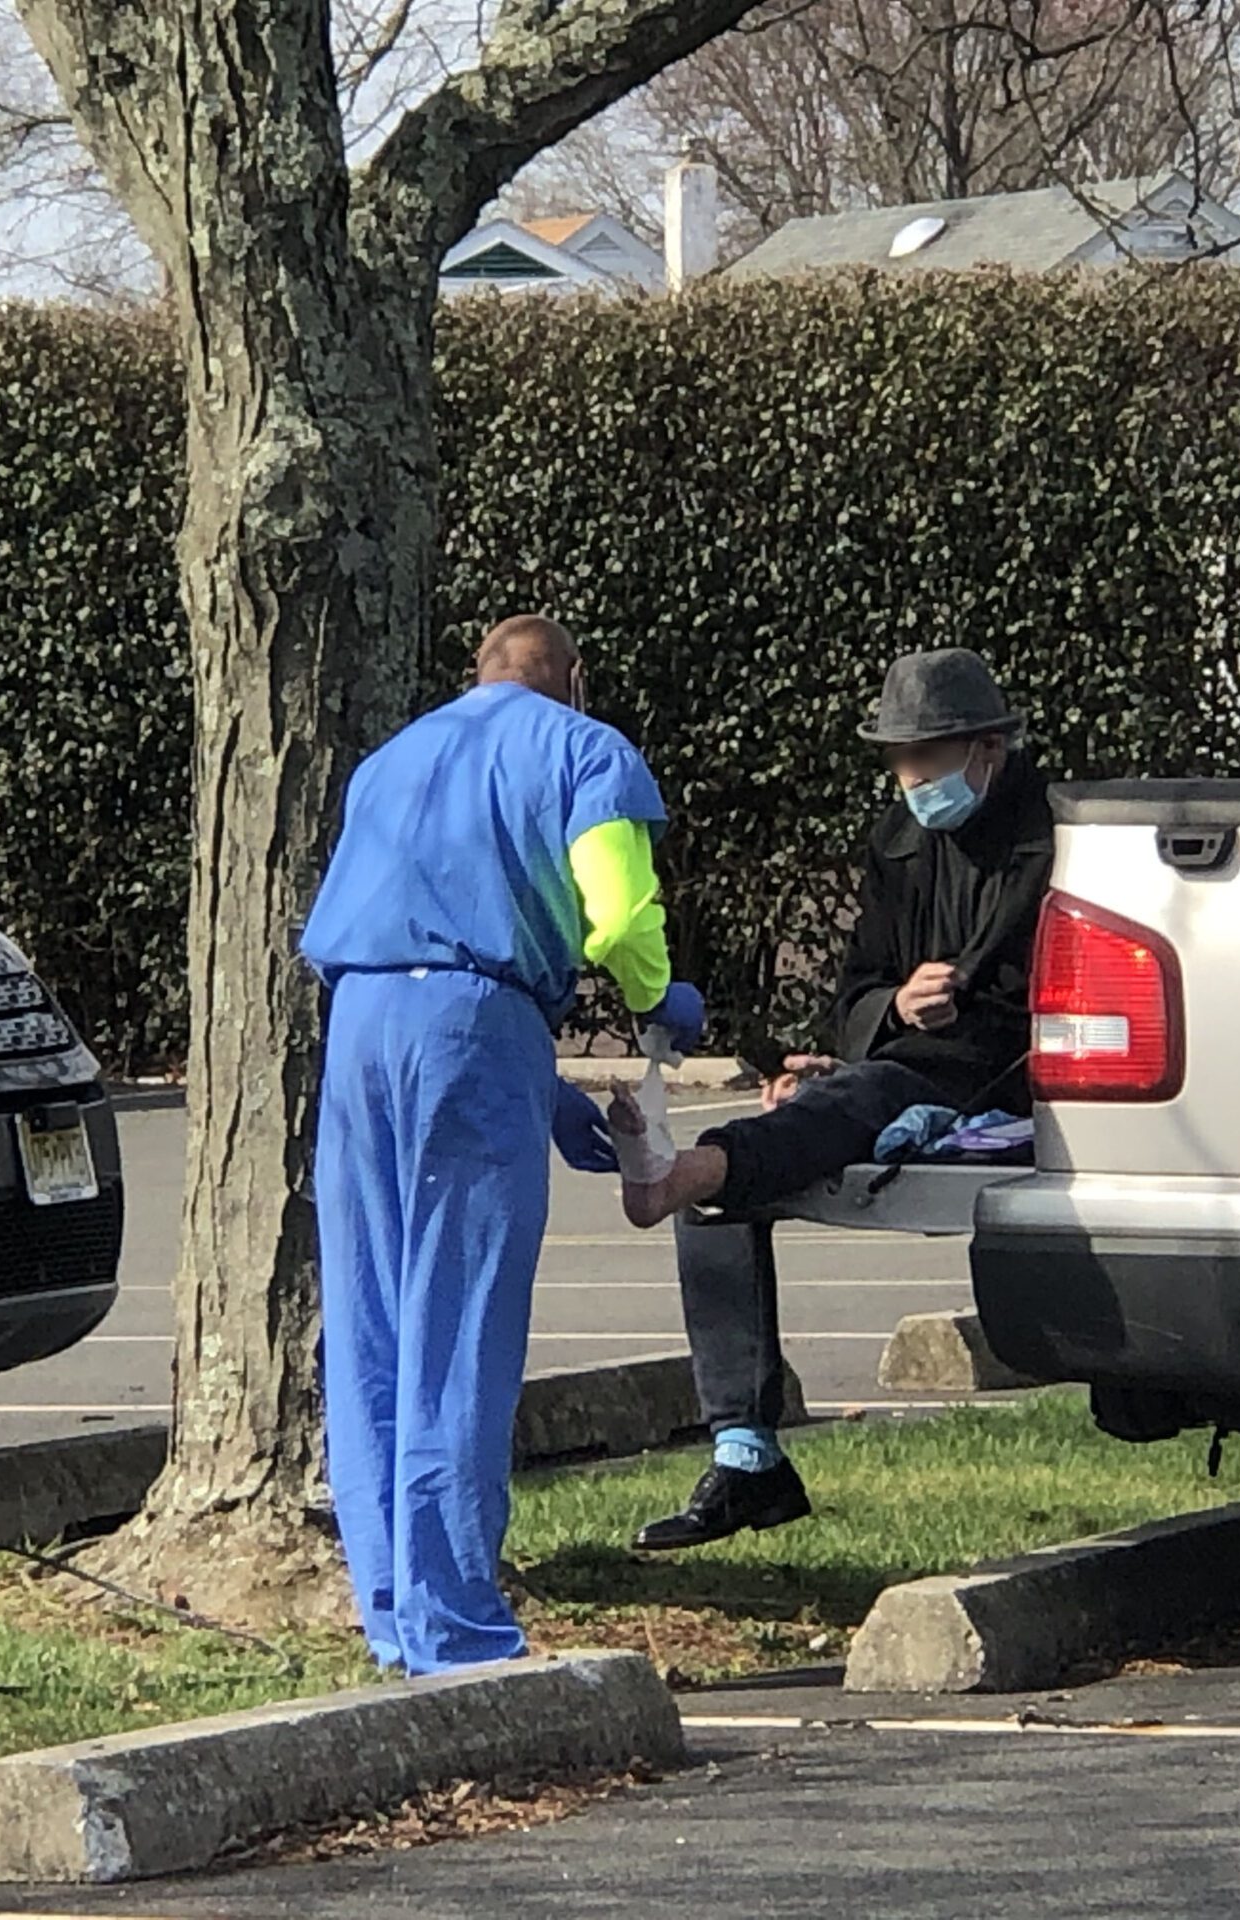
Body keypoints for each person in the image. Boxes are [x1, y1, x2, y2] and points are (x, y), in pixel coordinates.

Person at [301, 614, 704, 1673]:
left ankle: (390, 1611)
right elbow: (615, 918)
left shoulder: (391, 760)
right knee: (461, 1324)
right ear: (571, 679)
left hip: (357, 1029)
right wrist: (663, 995)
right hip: (474, 1022)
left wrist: (546, 1095)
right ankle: (461, 1631)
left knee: (372, 1325)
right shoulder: (586, 750)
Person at [612, 646, 1051, 1550]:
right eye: (898, 761)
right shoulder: (897, 842)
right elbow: (858, 988)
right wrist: (892, 1006)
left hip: (992, 1072)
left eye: (922, 758)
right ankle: (745, 1454)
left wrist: (919, 1022)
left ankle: (693, 1168)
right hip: (901, 1060)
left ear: (986, 750)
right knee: (744, 1175)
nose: (908, 780)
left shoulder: (1054, 840)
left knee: (800, 1132)